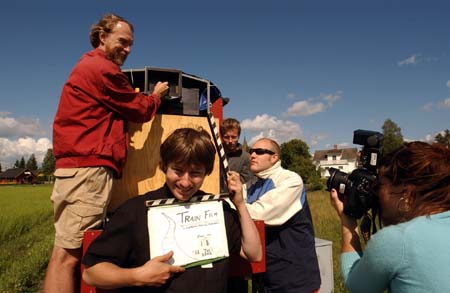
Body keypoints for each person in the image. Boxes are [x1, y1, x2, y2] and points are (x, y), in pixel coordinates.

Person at [44, 13, 169, 292]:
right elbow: (139, 109)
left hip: (77, 169)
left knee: (63, 252)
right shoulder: (104, 70)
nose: (127, 49)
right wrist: (156, 95)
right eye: (122, 41)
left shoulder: (88, 66)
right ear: (103, 37)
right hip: (88, 171)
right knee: (68, 256)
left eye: (131, 44)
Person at [82, 127, 262, 292]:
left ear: (206, 173)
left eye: (195, 173)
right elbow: (91, 273)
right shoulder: (135, 211)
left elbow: (253, 253)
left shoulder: (217, 210)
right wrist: (137, 276)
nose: (185, 182)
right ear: (163, 166)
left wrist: (239, 204)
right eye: (177, 170)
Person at [330, 141, 450, 293]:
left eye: (379, 185)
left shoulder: (398, 240)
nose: (375, 193)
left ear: (407, 194)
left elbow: (358, 287)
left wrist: (347, 220)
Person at [243, 138, 321, 293]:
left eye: (259, 152)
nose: (252, 155)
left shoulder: (290, 180)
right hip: (265, 275)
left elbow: (260, 214)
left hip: (294, 277)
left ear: (274, 157)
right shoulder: (252, 184)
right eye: (251, 151)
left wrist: (237, 203)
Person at [220, 118, 254, 193]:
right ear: (222, 137)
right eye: (226, 137)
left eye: (233, 137)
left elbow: (247, 181)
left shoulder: (246, 157)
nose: (230, 141)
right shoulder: (216, 154)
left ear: (238, 136)